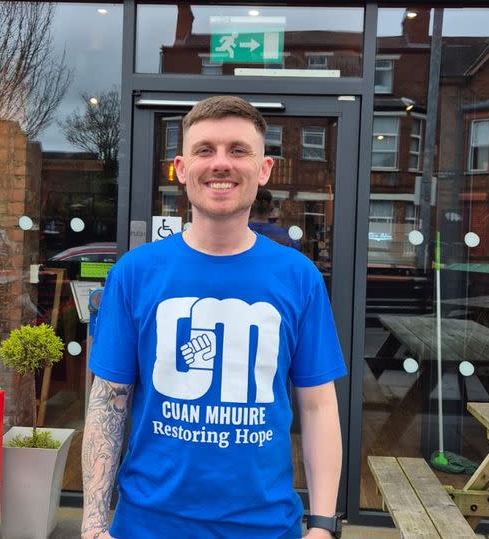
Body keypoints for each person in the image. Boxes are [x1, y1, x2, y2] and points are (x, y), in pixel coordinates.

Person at [80, 96, 347, 539]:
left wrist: (322, 525)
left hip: (265, 527)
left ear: (263, 170)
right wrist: (92, 525)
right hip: (146, 526)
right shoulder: (135, 272)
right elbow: (109, 398)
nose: (220, 163)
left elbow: (318, 405)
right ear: (182, 169)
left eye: (238, 150)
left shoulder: (299, 277)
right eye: (205, 150)